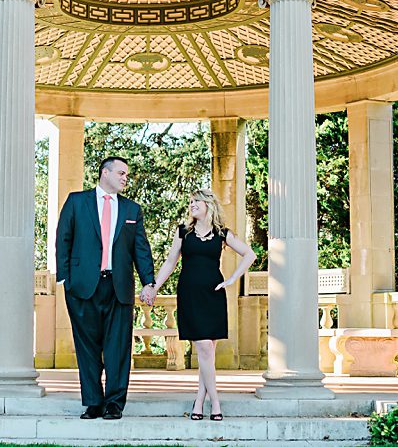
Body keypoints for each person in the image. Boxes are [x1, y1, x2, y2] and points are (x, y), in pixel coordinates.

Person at [56, 156, 156, 420]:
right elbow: (62, 239)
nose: (125, 178)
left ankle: (114, 403)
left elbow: (141, 250)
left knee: (118, 347)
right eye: (121, 173)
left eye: (126, 174)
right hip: (82, 287)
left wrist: (149, 281)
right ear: (105, 173)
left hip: (118, 286)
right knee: (87, 347)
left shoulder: (132, 210)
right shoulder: (77, 201)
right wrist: (65, 279)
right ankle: (93, 402)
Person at [144, 189, 255, 421]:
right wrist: (154, 286)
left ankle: (198, 401)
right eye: (190, 202)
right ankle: (215, 402)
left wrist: (232, 279)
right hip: (190, 293)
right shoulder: (183, 232)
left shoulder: (222, 234)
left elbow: (249, 254)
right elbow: (170, 262)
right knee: (204, 348)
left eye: (196, 201)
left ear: (208, 204)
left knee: (208, 352)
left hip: (213, 293)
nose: (192, 205)